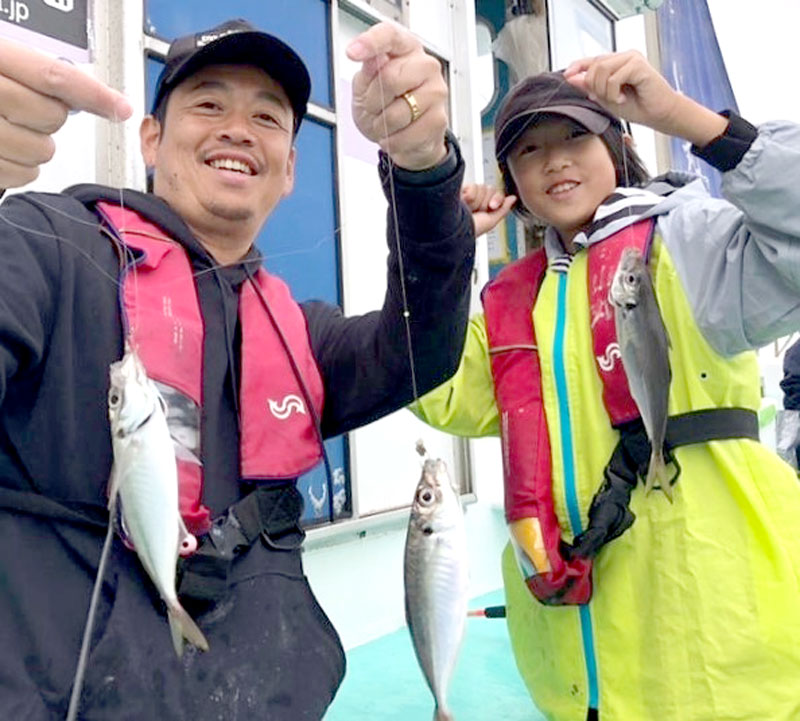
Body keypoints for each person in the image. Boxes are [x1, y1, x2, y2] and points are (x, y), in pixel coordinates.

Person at [0, 18, 476, 721]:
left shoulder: (300, 335)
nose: (237, 129)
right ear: (152, 140)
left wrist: (425, 172)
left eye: (266, 117)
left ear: (289, 170)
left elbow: (426, 343)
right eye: (208, 104)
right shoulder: (47, 250)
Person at [414, 50, 800, 721]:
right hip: (578, 675)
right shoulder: (513, 302)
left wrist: (688, 119)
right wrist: (440, 253)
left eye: (574, 138)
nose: (555, 161)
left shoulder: (687, 238)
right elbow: (431, 384)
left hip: (724, 657)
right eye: (529, 150)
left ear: (617, 145)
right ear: (512, 181)